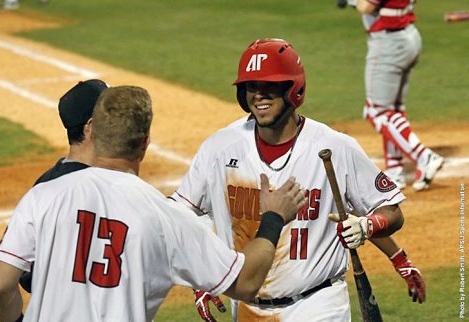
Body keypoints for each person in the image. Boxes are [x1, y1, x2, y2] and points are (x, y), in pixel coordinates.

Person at [0, 85, 308, 321]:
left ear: (95, 133)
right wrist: (274, 216)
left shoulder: (44, 194)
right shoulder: (164, 217)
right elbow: (246, 281)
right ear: (144, 144)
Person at [172, 38, 425, 321]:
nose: (259, 95)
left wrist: (368, 225)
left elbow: (391, 210)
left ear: (293, 89)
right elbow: (182, 216)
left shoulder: (334, 147)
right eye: (251, 87)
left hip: (317, 304)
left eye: (270, 86)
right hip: (246, 308)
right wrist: (202, 274)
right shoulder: (219, 148)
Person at [19, 78, 109, 293]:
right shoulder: (110, 185)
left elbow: (23, 272)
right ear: (91, 127)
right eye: (111, 115)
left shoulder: (43, 186)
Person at [355, 0, 444, 191]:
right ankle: (395, 170)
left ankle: (424, 156)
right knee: (392, 109)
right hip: (407, 37)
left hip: (389, 44)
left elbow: (366, 6)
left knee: (376, 111)